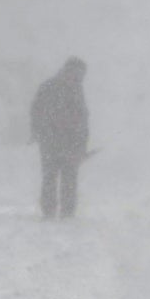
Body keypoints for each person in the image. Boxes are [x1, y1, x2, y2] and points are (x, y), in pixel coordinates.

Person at [30, 57, 89, 218]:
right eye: (76, 73)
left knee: (69, 178)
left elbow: (83, 118)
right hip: (51, 142)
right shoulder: (49, 87)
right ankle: (49, 212)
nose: (79, 77)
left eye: (81, 75)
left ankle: (67, 213)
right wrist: (41, 133)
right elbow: (37, 112)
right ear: (67, 70)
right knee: (50, 176)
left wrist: (82, 144)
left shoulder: (77, 89)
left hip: (70, 142)